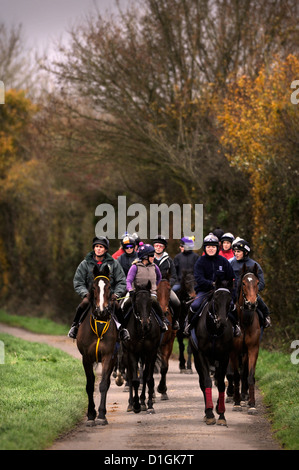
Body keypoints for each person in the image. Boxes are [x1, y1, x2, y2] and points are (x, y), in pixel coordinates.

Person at [68, 236, 130, 341]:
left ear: (105, 249)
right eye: (96, 246)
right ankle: (74, 326)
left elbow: (121, 281)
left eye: (101, 247)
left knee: (116, 306)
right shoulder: (85, 264)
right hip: (91, 296)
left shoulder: (114, 264)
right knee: (83, 304)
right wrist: (84, 293)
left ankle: (123, 329)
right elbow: (78, 281)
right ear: (94, 248)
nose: (98, 249)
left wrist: (117, 294)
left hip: (109, 296)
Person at [184, 233, 241, 337]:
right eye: (208, 247)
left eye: (213, 247)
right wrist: (212, 284)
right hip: (205, 291)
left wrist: (231, 293)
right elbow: (199, 278)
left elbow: (231, 278)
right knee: (195, 305)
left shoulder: (223, 261)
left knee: (232, 306)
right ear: (205, 248)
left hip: (222, 292)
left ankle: (236, 326)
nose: (211, 249)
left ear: (217, 248)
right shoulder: (200, 261)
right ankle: (188, 324)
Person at [124, 244, 168, 331]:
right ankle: (123, 325)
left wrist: (154, 287)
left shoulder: (155, 267)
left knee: (155, 301)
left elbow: (159, 278)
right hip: (136, 293)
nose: (153, 257)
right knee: (126, 304)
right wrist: (130, 290)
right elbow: (128, 281)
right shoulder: (135, 267)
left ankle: (162, 321)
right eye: (152, 255)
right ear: (145, 257)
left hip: (150, 293)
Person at [230, 238, 271, 328]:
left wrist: (253, 291)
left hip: (249, 292)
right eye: (235, 251)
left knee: (258, 300)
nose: (235, 254)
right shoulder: (230, 263)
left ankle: (266, 316)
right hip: (234, 291)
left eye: (238, 252)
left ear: (245, 253)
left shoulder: (255, 265)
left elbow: (262, 283)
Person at [152, 235, 180, 330]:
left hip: (165, 288)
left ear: (164, 247)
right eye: (156, 245)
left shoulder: (168, 260)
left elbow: (174, 276)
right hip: (152, 287)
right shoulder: (149, 258)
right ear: (154, 246)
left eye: (161, 246)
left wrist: (169, 285)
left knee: (176, 302)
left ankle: (175, 321)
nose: (158, 248)